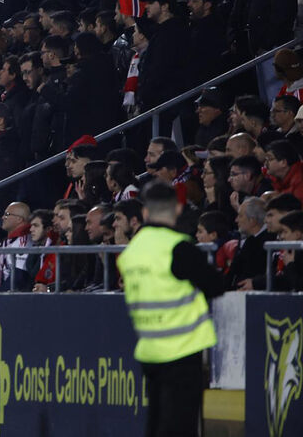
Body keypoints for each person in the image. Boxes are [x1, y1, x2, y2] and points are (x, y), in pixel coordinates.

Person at [117, 181, 224, 437]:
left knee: (155, 423)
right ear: (177, 210)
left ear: (144, 213)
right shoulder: (177, 247)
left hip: (150, 350)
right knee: (178, 426)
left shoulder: (132, 251)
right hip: (182, 350)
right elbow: (215, 285)